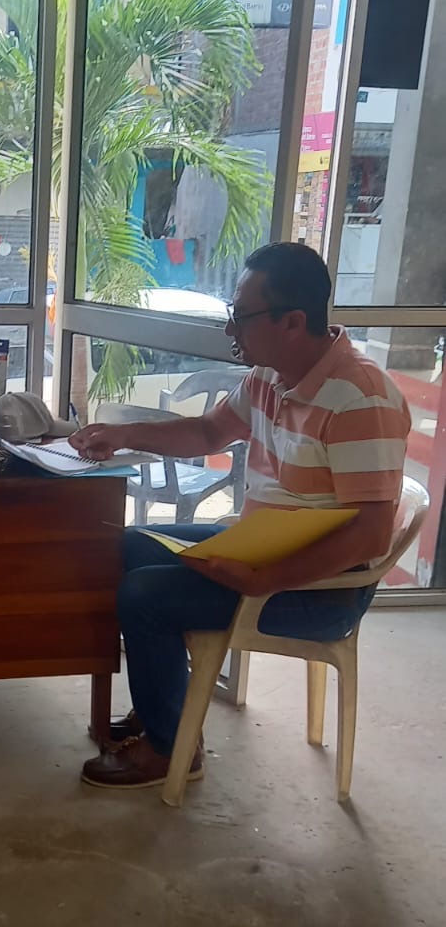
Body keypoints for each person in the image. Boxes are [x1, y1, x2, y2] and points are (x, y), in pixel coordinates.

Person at [70, 242, 412, 790]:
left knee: (145, 595)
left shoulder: (360, 399)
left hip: (320, 588)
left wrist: (267, 578)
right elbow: (209, 432)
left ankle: (171, 748)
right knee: (128, 547)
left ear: (293, 322)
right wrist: (124, 434)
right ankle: (167, 708)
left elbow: (371, 534)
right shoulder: (271, 376)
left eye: (242, 315)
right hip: (262, 547)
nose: (231, 328)